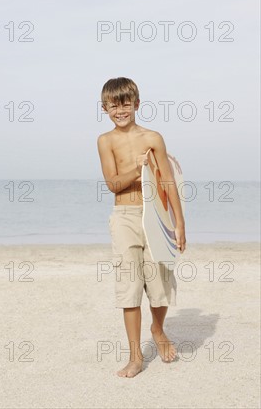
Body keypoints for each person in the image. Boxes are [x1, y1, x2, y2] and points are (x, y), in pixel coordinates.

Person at [97, 77, 186, 378]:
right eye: (113, 105)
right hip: (124, 216)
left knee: (159, 284)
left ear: (136, 104)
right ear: (105, 108)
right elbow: (112, 184)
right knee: (130, 287)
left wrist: (180, 222)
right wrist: (138, 167)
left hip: (156, 215)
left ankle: (158, 330)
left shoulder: (154, 138)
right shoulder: (105, 141)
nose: (120, 110)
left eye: (125, 103)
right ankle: (135, 356)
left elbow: (168, 181)